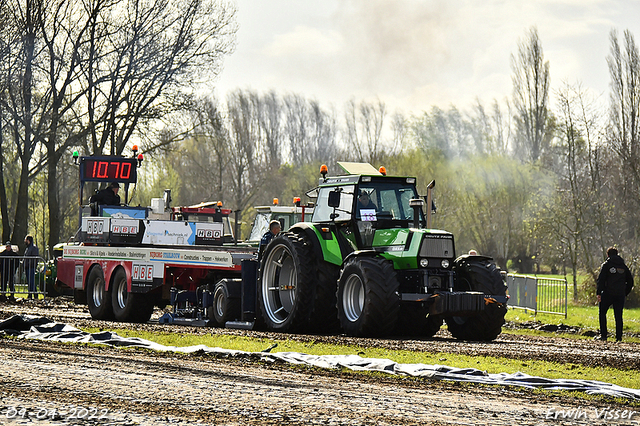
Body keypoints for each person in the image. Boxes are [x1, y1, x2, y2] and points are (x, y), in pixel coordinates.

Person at [596, 247, 634, 342]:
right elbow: (630, 281)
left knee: (602, 313)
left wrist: (599, 293)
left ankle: (604, 335)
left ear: (608, 255)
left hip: (607, 293)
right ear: (617, 254)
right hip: (620, 295)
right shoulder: (623, 266)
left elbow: (601, 279)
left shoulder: (606, 265)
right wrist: (625, 292)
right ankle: (619, 338)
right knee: (618, 316)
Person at [24, 235, 39, 300]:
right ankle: (31, 294)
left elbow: (35, 259)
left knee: (31, 281)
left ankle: (34, 294)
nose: (25, 241)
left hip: (31, 267)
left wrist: (31, 264)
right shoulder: (28, 248)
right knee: (29, 281)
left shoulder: (33, 248)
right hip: (27, 267)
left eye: (26, 240)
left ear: (28, 240)